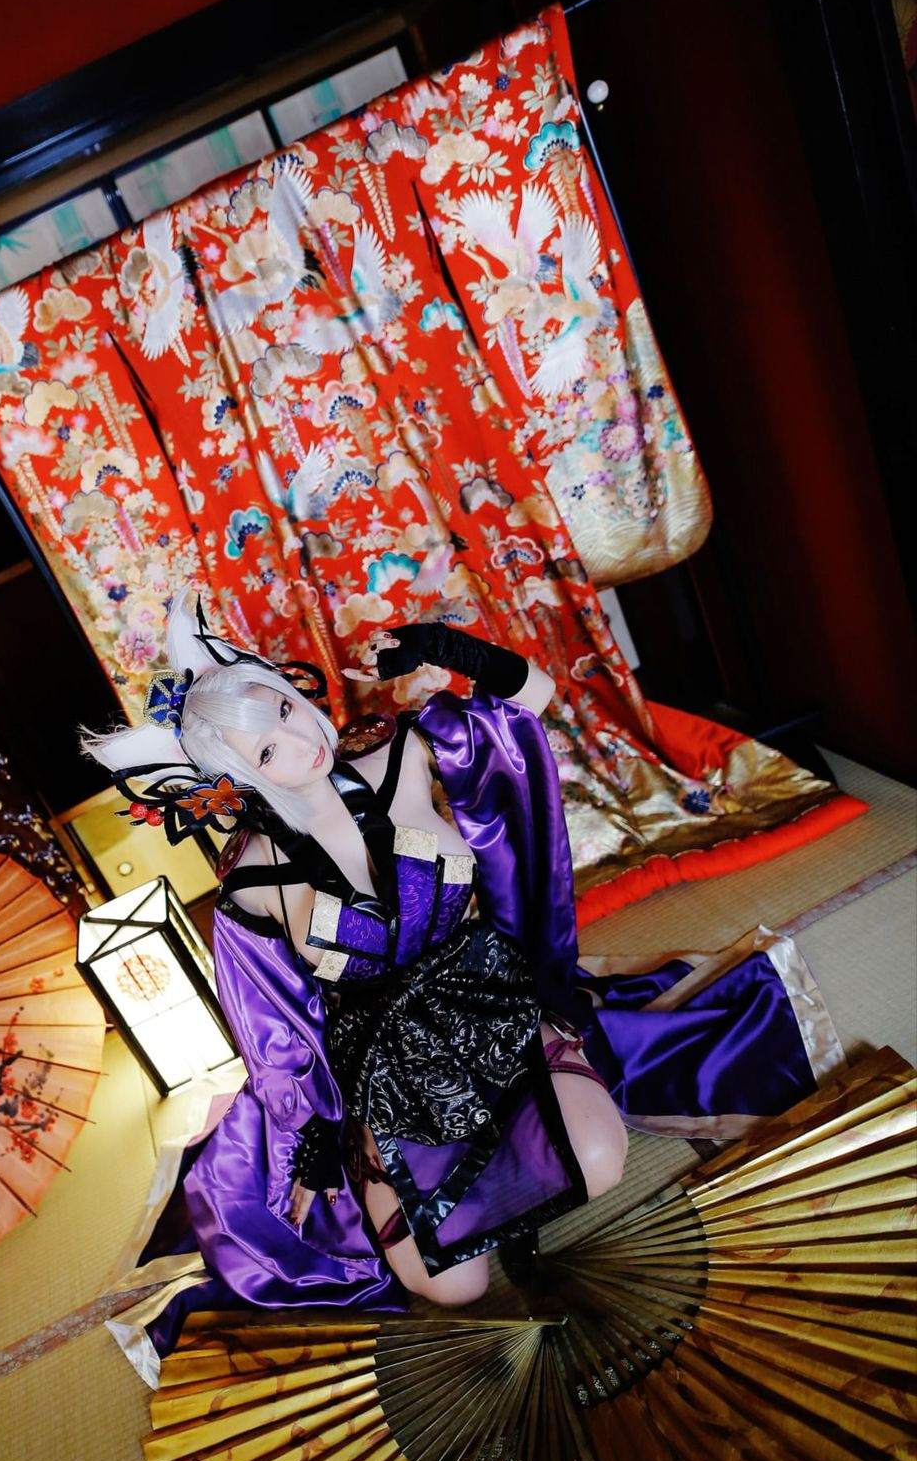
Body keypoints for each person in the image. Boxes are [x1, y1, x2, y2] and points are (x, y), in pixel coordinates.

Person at [82, 590, 842, 1378]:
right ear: (239, 777)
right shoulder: (251, 882)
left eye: (281, 707)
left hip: (496, 1004)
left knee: (596, 1158)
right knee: (453, 1285)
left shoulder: (401, 751)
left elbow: (536, 702)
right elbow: (277, 1031)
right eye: (266, 751)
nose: (298, 739)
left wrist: (449, 650)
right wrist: (312, 1146)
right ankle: (465, 1192)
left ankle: (519, 1160)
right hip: (386, 1072)